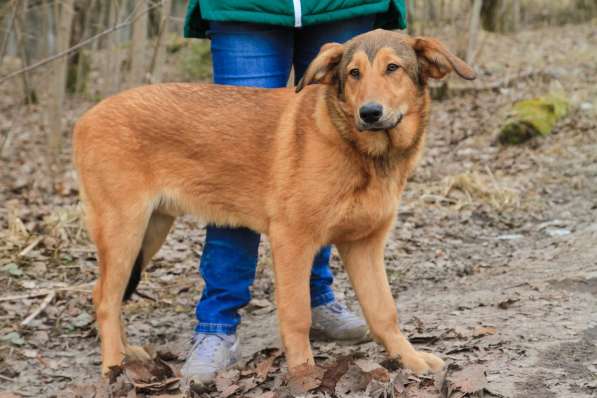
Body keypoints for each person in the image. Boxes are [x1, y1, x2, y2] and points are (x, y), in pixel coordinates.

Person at [181, 0, 407, 384]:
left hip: (344, 5)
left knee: (325, 168)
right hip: (247, 7)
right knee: (235, 165)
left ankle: (318, 300)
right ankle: (217, 324)